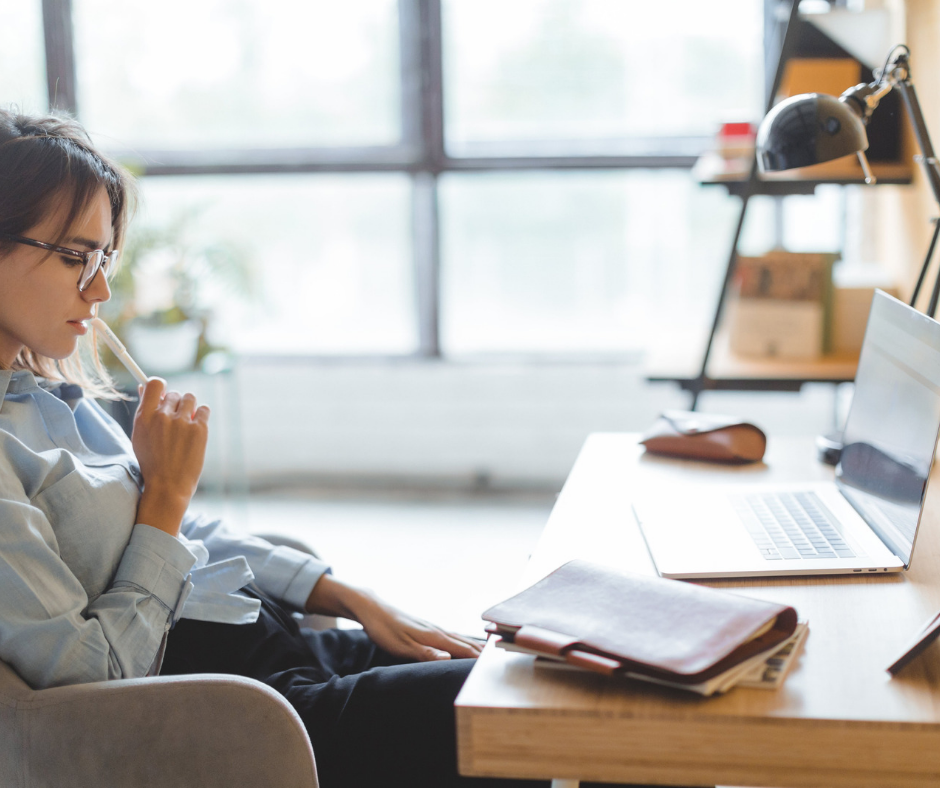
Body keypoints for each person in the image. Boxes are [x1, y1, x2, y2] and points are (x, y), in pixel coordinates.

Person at [0, 108, 552, 788]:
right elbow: (94, 676)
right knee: (553, 714)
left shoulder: (47, 396)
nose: (102, 289)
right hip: (240, 715)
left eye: (105, 256)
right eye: (74, 257)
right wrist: (165, 495)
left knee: (565, 674)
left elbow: (186, 537)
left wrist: (347, 595)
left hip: (275, 648)